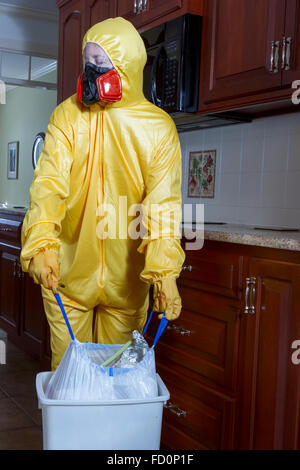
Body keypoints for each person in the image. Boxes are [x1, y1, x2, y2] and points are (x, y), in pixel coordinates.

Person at [20, 17, 185, 370]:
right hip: (66, 274)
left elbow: (162, 208)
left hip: (126, 285)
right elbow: (48, 184)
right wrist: (41, 244)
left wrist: (164, 273)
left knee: (114, 379)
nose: (91, 73)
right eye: (87, 64)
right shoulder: (67, 116)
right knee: (70, 377)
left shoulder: (158, 130)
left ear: (126, 68)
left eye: (101, 64)